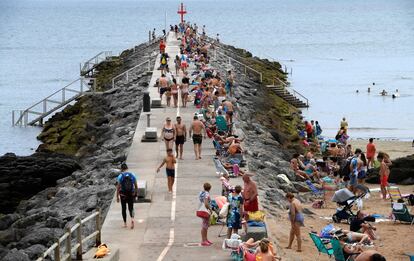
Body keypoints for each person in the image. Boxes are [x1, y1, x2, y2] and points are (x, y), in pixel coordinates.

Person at [116, 163, 138, 229]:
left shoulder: (120, 176)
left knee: (124, 208)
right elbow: (136, 185)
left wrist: (117, 196)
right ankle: (132, 219)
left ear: (121, 169)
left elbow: (118, 187)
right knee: (131, 208)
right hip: (131, 194)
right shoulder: (132, 175)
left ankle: (125, 224)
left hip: (123, 195)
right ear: (127, 168)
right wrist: (136, 193)